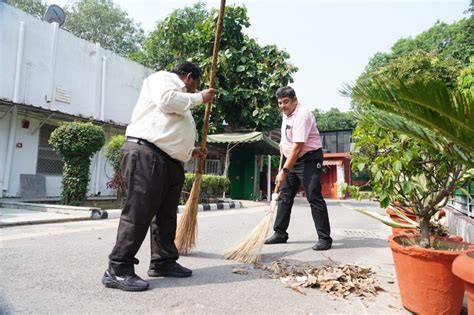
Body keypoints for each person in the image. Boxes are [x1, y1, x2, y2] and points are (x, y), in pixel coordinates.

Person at [102, 61, 215, 291]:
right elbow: (167, 102)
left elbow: (167, 130)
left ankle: (163, 261)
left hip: (169, 160)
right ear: (190, 77)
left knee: (166, 216)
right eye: (195, 86)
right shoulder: (163, 79)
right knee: (139, 211)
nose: (194, 91)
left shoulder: (183, 98)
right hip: (147, 153)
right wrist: (200, 98)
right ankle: (118, 268)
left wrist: (190, 151)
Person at [264, 86, 332, 251]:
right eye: (279, 103)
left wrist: (284, 171)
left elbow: (298, 146)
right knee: (285, 196)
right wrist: (283, 152)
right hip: (291, 158)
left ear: (295, 100)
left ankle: (325, 238)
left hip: (309, 158)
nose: (282, 106)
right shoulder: (286, 114)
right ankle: (280, 233)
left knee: (313, 196)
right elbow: (288, 141)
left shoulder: (302, 115)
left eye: (286, 102)